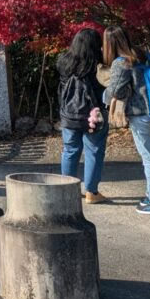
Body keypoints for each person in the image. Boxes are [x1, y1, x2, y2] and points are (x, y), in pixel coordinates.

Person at [103, 25, 150, 216]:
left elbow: (116, 91)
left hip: (140, 115)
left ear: (110, 43)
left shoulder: (121, 63)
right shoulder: (145, 54)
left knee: (149, 159)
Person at [57, 28, 109, 204]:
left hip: (69, 114)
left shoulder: (64, 61)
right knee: (93, 151)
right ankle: (91, 193)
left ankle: (66, 190)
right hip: (94, 115)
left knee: (70, 150)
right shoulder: (98, 65)